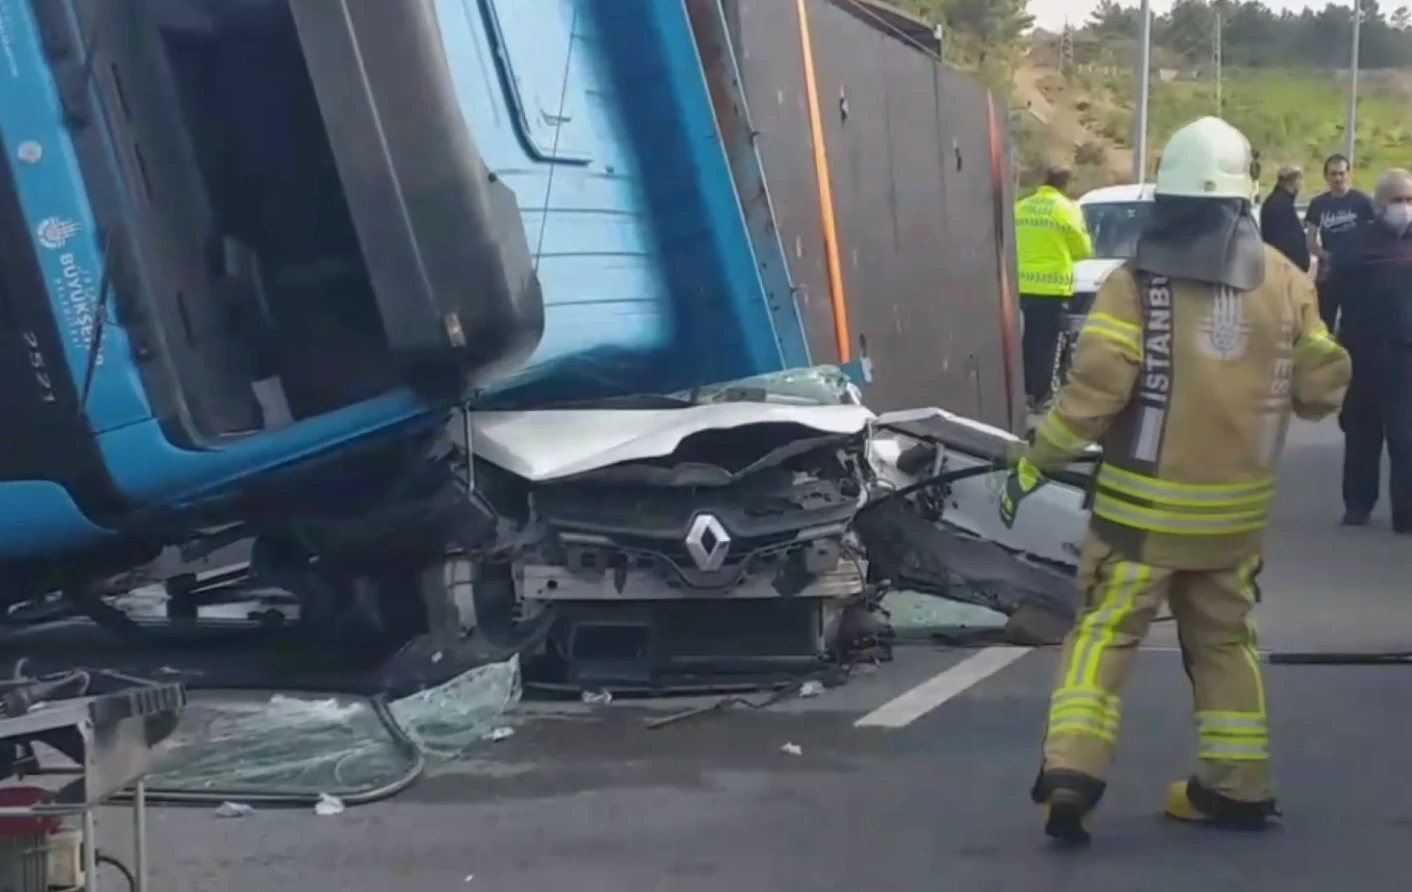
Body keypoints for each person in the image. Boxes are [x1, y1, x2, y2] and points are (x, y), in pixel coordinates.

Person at [997, 116, 1351, 846]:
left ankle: (1072, 777)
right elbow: (1320, 393)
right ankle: (1237, 787)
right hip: (1232, 531)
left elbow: (1091, 398)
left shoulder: (1135, 287)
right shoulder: (1285, 283)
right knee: (1225, 645)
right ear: (1244, 201)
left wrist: (1037, 461)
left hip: (1137, 524)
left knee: (1103, 636)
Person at [1325, 168, 1412, 531]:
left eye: (1409, 200)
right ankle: (1358, 504)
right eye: (1397, 200)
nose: (1404, 208)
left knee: (1405, 438)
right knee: (1361, 435)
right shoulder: (1355, 245)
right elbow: (1330, 296)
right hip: (1361, 353)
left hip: (1406, 355)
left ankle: (1406, 515)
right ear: (1379, 204)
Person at [1014, 165, 1093, 412]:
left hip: (1021, 286)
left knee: (1024, 342)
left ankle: (1024, 393)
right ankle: (1042, 396)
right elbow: (1083, 250)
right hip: (1051, 289)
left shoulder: (1021, 207)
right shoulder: (1066, 210)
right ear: (1065, 184)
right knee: (1047, 345)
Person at [1305, 154, 1376, 331]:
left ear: (1348, 174)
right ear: (1326, 177)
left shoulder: (1363, 201)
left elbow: (1376, 234)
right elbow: (1310, 240)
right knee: (1324, 320)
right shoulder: (1318, 204)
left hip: (1357, 272)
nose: (1338, 178)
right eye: (1333, 174)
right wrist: (1324, 255)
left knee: (1354, 322)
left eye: (1341, 173)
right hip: (1330, 272)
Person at [1259, 164, 1310, 272]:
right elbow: (1287, 240)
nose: (1301, 184)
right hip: (1285, 269)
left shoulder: (1280, 202)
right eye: (1300, 180)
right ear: (1293, 181)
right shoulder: (1279, 205)